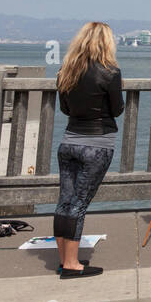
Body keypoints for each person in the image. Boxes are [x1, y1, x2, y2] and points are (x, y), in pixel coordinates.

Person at [54, 21, 124, 278]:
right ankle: (72, 265)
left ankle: (64, 260)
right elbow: (117, 109)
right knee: (79, 205)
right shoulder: (110, 72)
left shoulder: (65, 71)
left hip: (69, 141)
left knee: (65, 201)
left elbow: (65, 109)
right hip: (98, 143)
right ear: (106, 43)